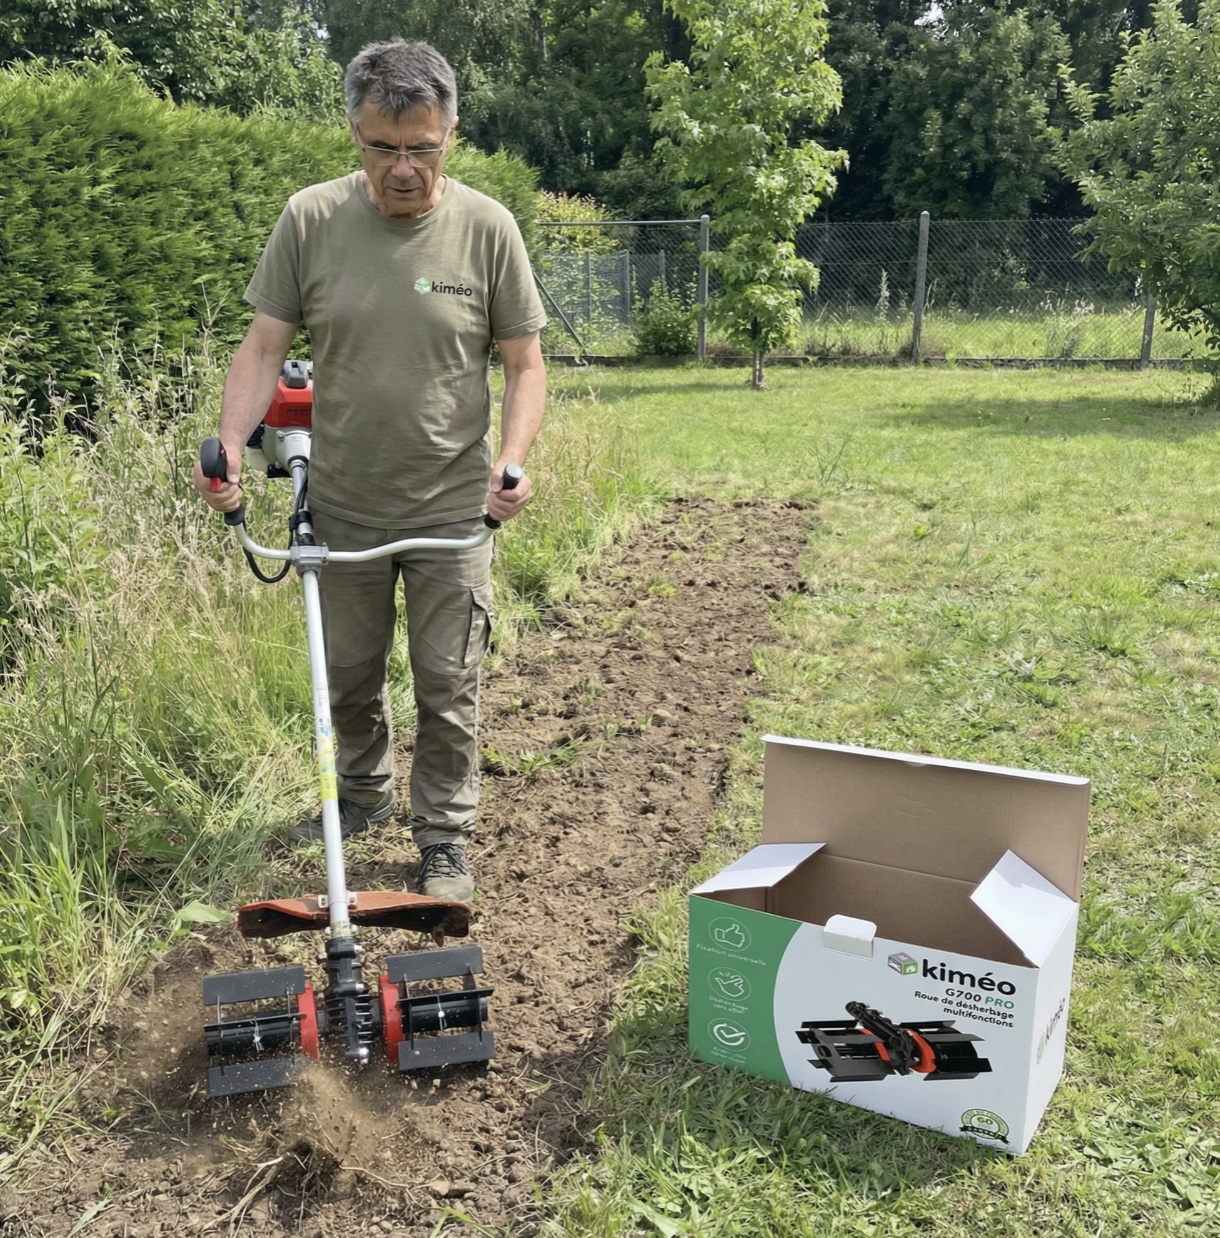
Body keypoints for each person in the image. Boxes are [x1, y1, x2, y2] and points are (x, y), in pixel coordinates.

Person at [192, 40, 547, 902]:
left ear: (450, 135)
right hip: (344, 504)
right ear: (355, 132)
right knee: (347, 673)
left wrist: (511, 462)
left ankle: (443, 835)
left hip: (455, 509)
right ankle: (361, 793)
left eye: (421, 148)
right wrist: (231, 443)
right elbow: (263, 348)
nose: (401, 169)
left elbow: (526, 365)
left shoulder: (488, 228)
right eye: (381, 147)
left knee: (448, 682)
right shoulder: (310, 220)